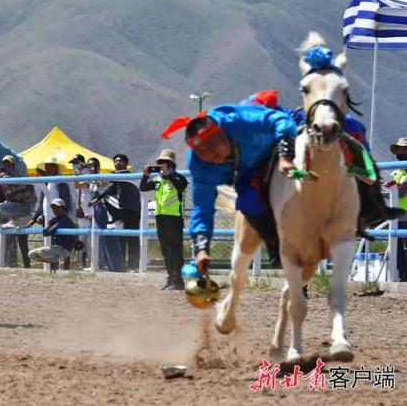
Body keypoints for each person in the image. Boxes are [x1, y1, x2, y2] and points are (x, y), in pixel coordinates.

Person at [162, 104, 298, 276]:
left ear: (221, 133)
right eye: (202, 151)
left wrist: (286, 156)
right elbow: (202, 209)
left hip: (277, 143)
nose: (210, 154)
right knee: (248, 200)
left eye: (212, 144)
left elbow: (280, 121)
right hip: (247, 171)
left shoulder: (236, 120)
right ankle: (273, 242)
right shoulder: (200, 166)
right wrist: (201, 250)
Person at [240, 89, 403, 232]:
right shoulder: (287, 117)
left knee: (360, 162)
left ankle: (373, 208)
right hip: (306, 135)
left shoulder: (350, 124)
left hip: (330, 133)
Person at [140, 149, 188, 290]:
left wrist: (170, 176)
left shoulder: (179, 178)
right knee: (165, 250)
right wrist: (145, 176)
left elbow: (181, 187)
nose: (162, 166)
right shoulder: (157, 181)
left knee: (175, 250)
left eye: (166, 163)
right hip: (160, 218)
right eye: (160, 163)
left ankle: (178, 280)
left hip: (174, 219)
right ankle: (170, 278)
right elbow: (143, 188)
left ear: (172, 165)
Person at [91, 154, 141, 272]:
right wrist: (97, 199)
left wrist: (107, 177)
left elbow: (113, 180)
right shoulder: (115, 179)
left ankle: (134, 266)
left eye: (120, 161)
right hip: (121, 209)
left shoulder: (128, 175)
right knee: (120, 237)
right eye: (116, 161)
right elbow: (110, 189)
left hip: (132, 210)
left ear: (125, 164)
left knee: (132, 237)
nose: (117, 163)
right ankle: (121, 265)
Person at [86, 158, 125, 272]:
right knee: (101, 238)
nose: (91, 168)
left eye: (92, 165)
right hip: (97, 210)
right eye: (89, 166)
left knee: (110, 237)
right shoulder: (89, 180)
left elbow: (102, 185)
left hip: (105, 210)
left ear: (98, 166)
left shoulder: (102, 177)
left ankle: (117, 267)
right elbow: (78, 184)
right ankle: (104, 264)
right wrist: (81, 172)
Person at [28, 198, 76, 271]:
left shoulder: (64, 220)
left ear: (63, 208)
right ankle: (57, 261)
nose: (55, 209)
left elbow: (47, 232)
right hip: (57, 248)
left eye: (57, 207)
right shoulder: (58, 219)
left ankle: (59, 260)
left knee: (36, 253)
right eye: (53, 207)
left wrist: (49, 226)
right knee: (32, 255)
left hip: (63, 249)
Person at [71, 154, 93, 267]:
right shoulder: (78, 175)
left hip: (89, 211)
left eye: (76, 162)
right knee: (81, 239)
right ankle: (81, 263)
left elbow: (79, 185)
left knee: (89, 240)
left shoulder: (87, 173)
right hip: (81, 211)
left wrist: (78, 174)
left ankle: (91, 263)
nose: (74, 165)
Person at [390, 137, 407, 281]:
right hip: (398, 213)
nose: (401, 151)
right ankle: (403, 274)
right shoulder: (399, 170)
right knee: (396, 246)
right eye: (399, 149)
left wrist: (391, 189)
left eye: (404, 148)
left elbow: (401, 191)